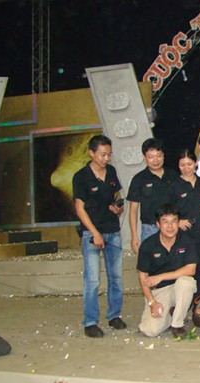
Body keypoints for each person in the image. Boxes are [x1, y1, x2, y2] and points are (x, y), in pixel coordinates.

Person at [72, 135, 126, 338]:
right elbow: (79, 208)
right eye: (103, 154)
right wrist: (95, 233)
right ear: (91, 153)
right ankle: (91, 322)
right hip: (91, 233)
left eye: (109, 154)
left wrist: (118, 208)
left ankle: (114, 315)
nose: (106, 158)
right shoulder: (81, 176)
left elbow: (118, 196)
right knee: (93, 279)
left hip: (112, 230)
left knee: (116, 277)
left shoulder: (111, 172)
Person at [137, 204, 198, 338]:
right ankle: (169, 316)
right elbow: (143, 276)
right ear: (158, 225)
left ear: (178, 222)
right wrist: (152, 302)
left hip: (179, 288)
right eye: (165, 222)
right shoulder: (148, 245)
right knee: (150, 331)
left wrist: (161, 277)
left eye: (174, 221)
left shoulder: (187, 241)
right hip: (159, 291)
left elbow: (191, 269)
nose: (170, 226)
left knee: (186, 282)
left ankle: (177, 324)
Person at [127, 138, 178, 254]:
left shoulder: (173, 176)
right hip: (150, 229)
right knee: (150, 261)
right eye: (151, 157)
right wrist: (134, 236)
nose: (155, 160)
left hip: (172, 227)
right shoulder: (139, 179)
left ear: (163, 156)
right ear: (144, 158)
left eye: (158, 156)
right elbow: (133, 210)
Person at [170, 149, 200, 246]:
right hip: (182, 232)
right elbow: (167, 210)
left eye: (189, 164)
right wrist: (177, 222)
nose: (186, 168)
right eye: (182, 165)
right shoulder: (173, 185)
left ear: (195, 163)